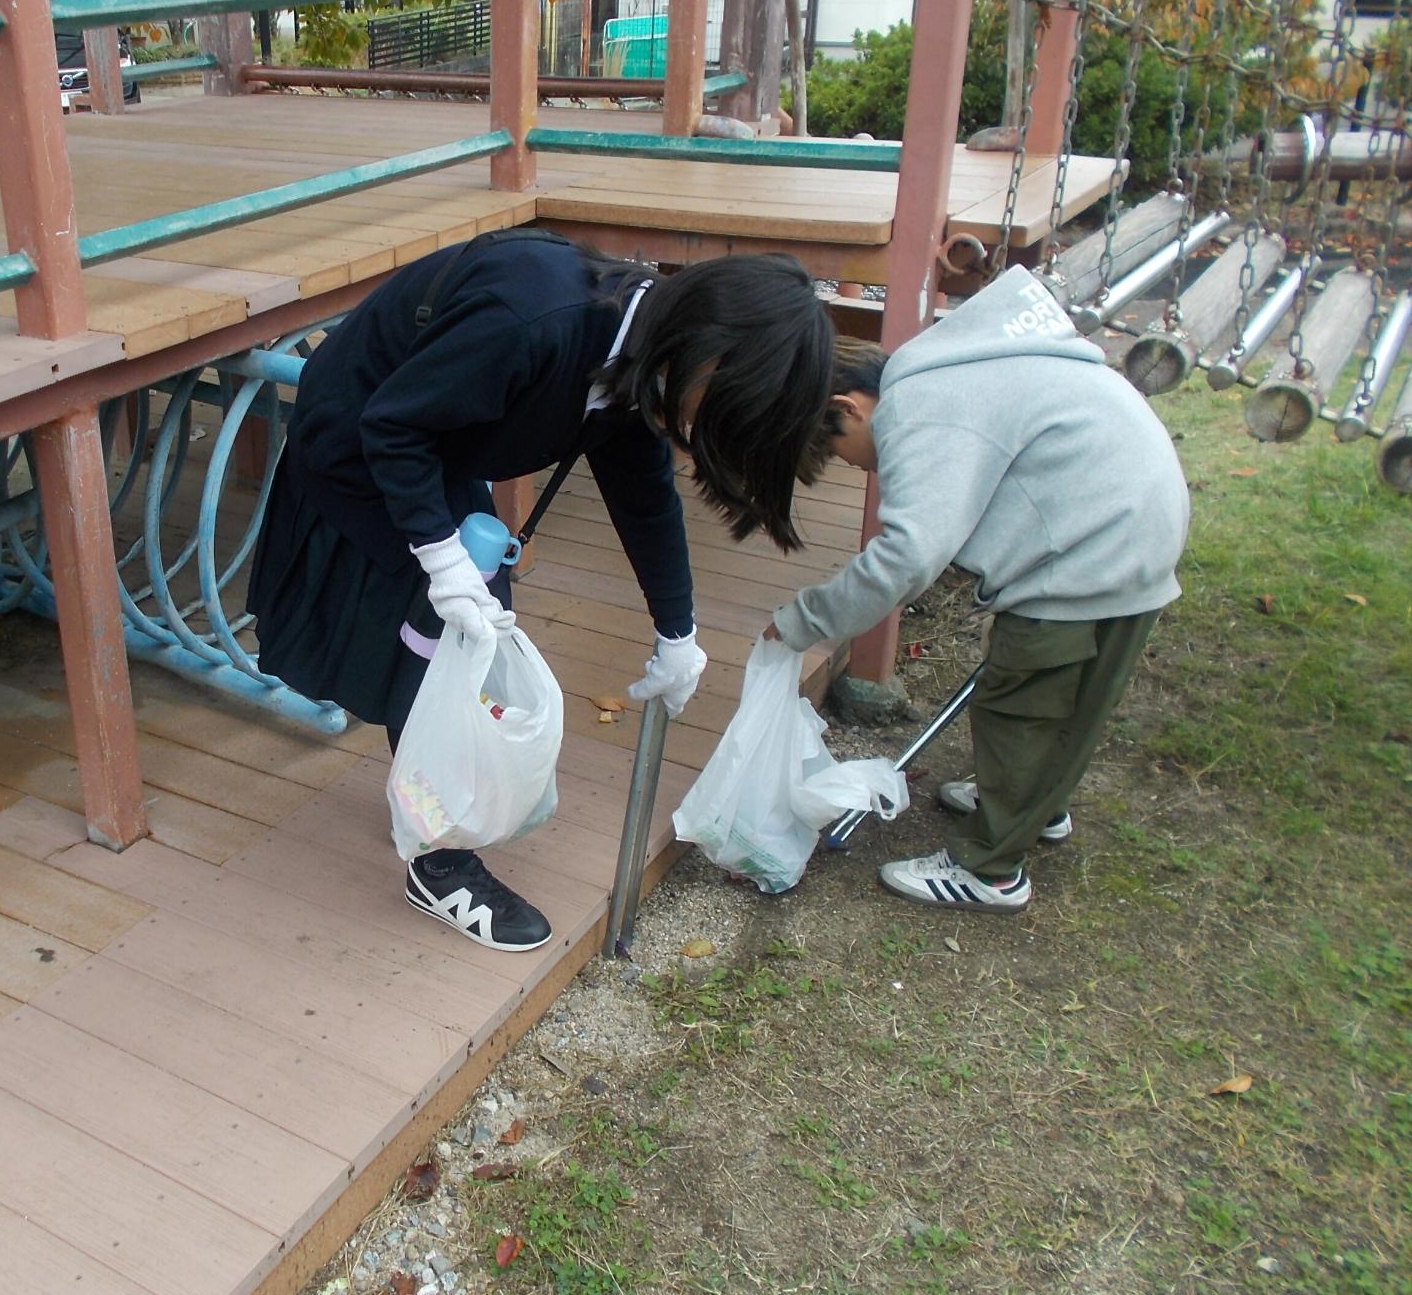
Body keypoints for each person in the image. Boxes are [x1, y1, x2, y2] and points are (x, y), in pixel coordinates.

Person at [250, 231, 837, 950]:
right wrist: (437, 556)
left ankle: (427, 798)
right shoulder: (532, 321)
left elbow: (642, 489)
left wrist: (677, 629)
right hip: (361, 437)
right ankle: (439, 863)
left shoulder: (638, 350)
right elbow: (393, 427)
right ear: (706, 350)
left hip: (434, 438)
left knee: (466, 630)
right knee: (448, 646)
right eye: (710, 413)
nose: (693, 436)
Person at [768, 266, 1191, 914]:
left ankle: (991, 867)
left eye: (851, 457)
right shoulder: (943, 370)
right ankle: (1031, 805)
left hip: (1093, 545)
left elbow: (908, 555)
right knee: (1068, 701)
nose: (864, 469)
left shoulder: (917, 410)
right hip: (1129, 518)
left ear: (849, 408)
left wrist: (802, 621)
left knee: (1022, 703)